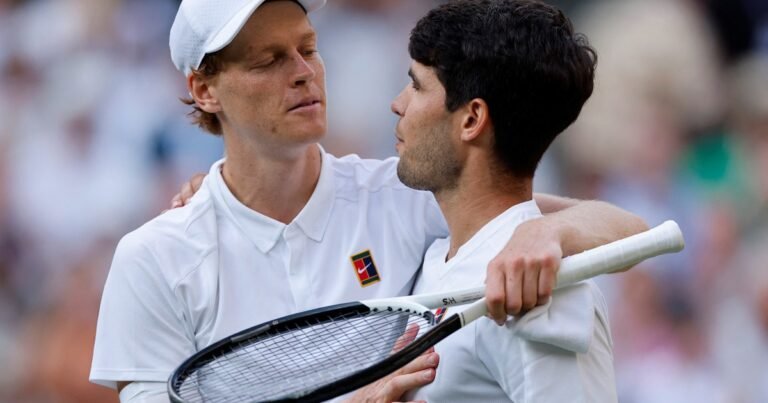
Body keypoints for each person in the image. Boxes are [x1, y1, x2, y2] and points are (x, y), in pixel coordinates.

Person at [90, 0, 645, 401]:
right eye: (269, 61)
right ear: (204, 90)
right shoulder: (154, 257)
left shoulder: (405, 194)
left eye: (308, 48)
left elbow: (626, 228)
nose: (304, 73)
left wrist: (549, 233)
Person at [374, 0, 613, 400]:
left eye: (416, 85)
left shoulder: (542, 296)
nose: (398, 103)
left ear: (471, 120)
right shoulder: (434, 253)